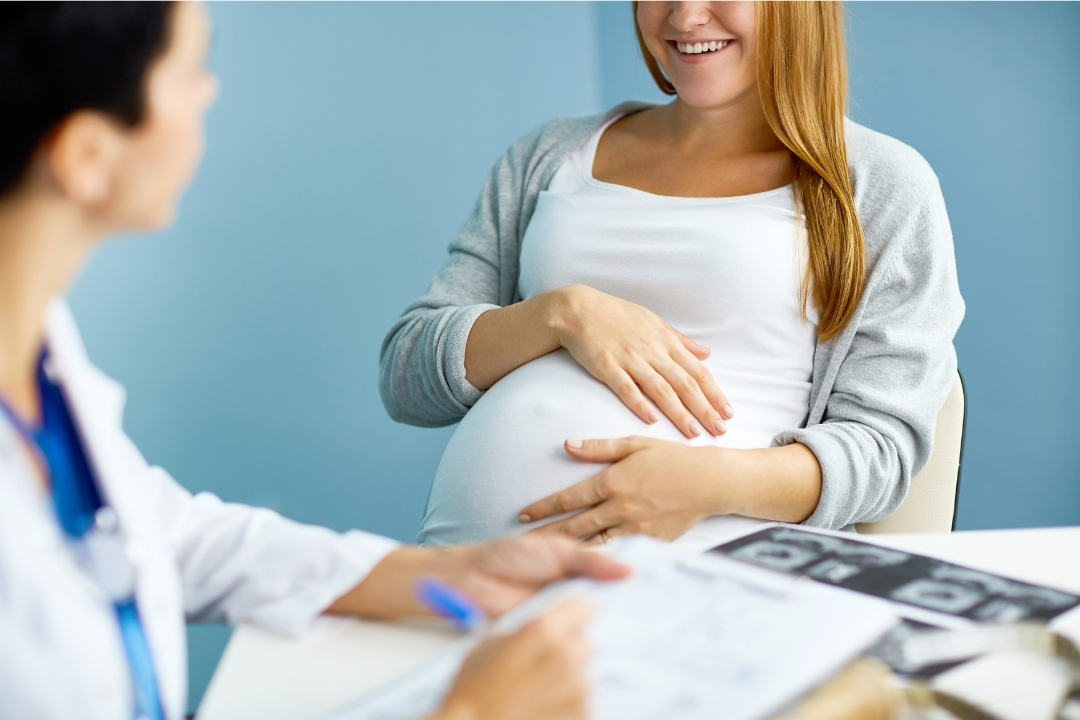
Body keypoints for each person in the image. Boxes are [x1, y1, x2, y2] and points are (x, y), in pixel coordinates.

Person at [0, 4, 631, 719]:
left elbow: (159, 532)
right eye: (190, 71)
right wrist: (473, 714)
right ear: (86, 156)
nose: (209, 94)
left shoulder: (35, 343)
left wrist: (447, 572)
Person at [380, 1, 964, 547]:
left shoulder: (881, 184)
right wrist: (559, 314)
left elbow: (882, 454)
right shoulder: (549, 154)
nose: (685, 16)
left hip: (706, 592)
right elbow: (406, 379)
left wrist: (709, 483)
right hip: (465, 587)